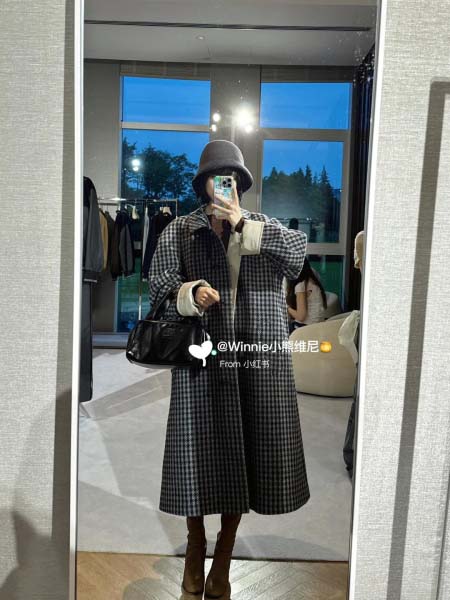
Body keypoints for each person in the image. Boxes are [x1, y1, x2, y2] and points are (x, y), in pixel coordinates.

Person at [148, 139, 311, 598]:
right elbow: (159, 285)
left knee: (247, 457)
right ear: (203, 184)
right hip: (201, 360)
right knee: (195, 458)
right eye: (217, 178)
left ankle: (224, 554)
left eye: (232, 178)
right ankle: (195, 546)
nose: (226, 184)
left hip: (255, 359)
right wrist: (190, 292)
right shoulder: (182, 230)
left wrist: (242, 224)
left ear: (240, 183)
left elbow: (297, 258)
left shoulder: (262, 225)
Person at [285, 258, 328, 333]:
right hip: (317, 326)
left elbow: (301, 316)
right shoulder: (312, 280)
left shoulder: (301, 286)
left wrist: (286, 307)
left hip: (306, 328)